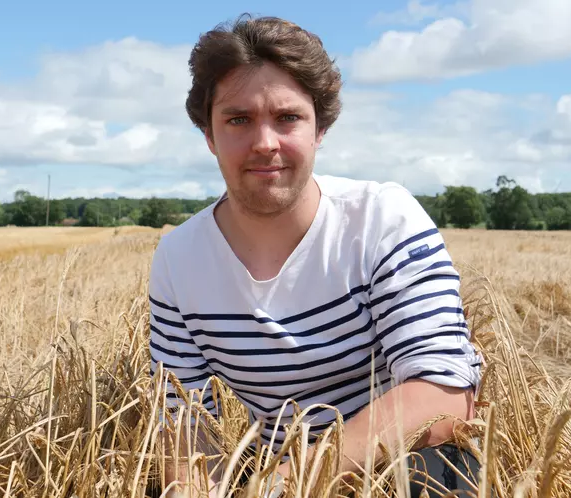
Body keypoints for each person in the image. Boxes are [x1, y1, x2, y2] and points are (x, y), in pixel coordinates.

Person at [147, 13, 484, 498]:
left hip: (399, 466)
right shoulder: (179, 259)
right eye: (238, 119)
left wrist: (287, 484)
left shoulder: (382, 220)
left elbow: (443, 395)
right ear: (208, 135)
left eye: (287, 118)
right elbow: (182, 426)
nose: (265, 143)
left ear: (319, 128)